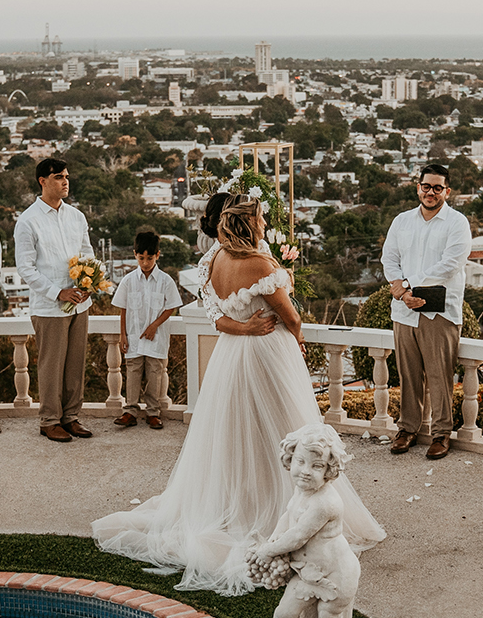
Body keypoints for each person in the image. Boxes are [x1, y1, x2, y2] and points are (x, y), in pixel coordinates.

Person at [92, 200, 385, 595]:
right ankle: (274, 510)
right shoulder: (261, 265)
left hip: (231, 357)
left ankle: (240, 502)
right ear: (250, 226)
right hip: (268, 355)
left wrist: (242, 330)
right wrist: (292, 335)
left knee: (237, 432)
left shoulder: (215, 259)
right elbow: (291, 316)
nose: (266, 224)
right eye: (262, 219)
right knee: (284, 426)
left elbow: (215, 317)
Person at [381, 163, 472, 461]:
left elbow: (451, 264)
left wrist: (410, 284)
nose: (430, 192)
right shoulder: (402, 221)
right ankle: (407, 428)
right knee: (407, 374)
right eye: (426, 186)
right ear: (417, 187)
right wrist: (403, 291)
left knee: (439, 375)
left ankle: (441, 433)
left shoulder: (457, 223)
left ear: (447, 191)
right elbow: (389, 259)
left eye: (437, 188)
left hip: (439, 310)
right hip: (404, 309)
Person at [13, 157, 95, 443]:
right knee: (51, 366)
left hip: (80, 302)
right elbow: (26, 268)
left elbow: (88, 254)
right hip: (50, 306)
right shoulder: (27, 221)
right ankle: (49, 420)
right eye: (59, 176)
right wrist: (58, 292)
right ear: (42, 181)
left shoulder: (76, 216)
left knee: (75, 364)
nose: (65, 181)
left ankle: (71, 417)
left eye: (67, 176)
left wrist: (88, 283)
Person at [113, 228, 180, 430]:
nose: (145, 262)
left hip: (155, 336)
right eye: (141, 258)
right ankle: (130, 411)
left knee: (155, 373)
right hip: (133, 336)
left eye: (149, 258)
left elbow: (171, 307)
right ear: (135, 254)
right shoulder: (128, 281)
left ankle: (153, 412)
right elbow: (123, 309)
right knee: (132, 372)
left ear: (157, 255)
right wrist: (123, 334)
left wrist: (154, 326)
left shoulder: (165, 281)